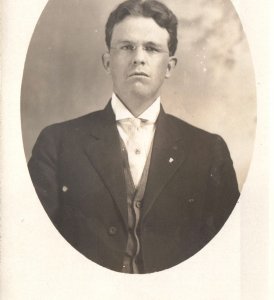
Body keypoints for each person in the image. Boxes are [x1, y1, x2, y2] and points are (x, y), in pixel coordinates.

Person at [28, 0, 240, 274]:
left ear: (169, 67)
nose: (138, 57)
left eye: (151, 48)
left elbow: (230, 254)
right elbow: (31, 246)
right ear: (107, 61)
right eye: (127, 47)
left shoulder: (209, 151)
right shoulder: (56, 144)